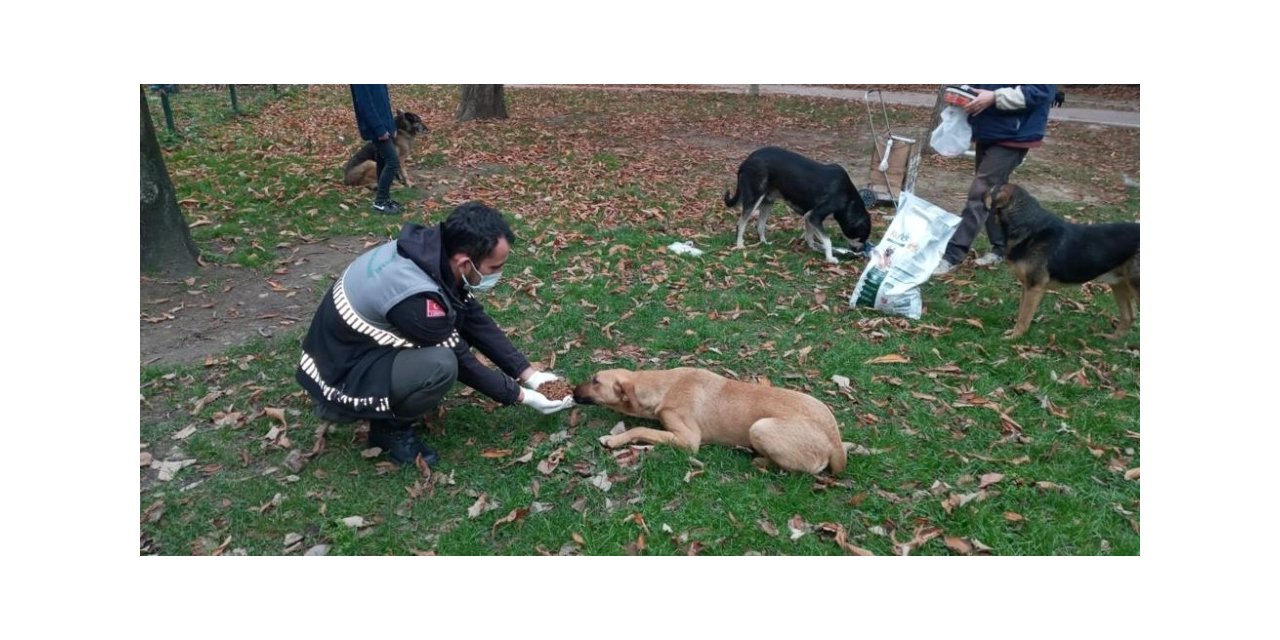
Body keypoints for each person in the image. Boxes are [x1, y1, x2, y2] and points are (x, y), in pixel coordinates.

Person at [295, 202, 574, 466]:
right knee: (440, 365)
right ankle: (389, 429)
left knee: (445, 347)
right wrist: (521, 396)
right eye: (494, 268)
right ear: (465, 262)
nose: (498, 274)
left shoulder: (432, 252)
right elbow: (462, 359)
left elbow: (471, 317)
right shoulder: (415, 299)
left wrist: (528, 374)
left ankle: (390, 402)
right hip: (341, 377)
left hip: (346, 354)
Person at [933, 84, 1056, 275]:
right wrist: (965, 92)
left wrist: (995, 97)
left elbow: (1041, 91)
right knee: (992, 194)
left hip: (1014, 133)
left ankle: (952, 255)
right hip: (989, 129)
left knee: (980, 192)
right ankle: (1000, 248)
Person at [350, 84, 404, 215]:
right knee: (393, 162)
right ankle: (380, 201)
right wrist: (379, 129)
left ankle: (384, 199)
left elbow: (384, 102)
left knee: (383, 160)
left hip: (385, 126)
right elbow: (365, 104)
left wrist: (391, 127)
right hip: (376, 128)